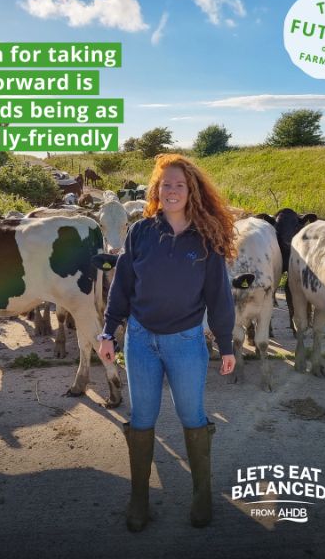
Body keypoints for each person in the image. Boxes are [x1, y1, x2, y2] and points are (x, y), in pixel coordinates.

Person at [98, 153, 236, 532]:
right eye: (165, 184)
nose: (172, 190)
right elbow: (122, 286)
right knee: (142, 418)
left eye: (179, 184)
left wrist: (226, 344)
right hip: (140, 340)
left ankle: (201, 494)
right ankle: (139, 499)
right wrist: (109, 331)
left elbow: (219, 297)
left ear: (192, 190)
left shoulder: (206, 238)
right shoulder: (141, 232)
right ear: (156, 190)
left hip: (186, 342)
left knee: (192, 417)